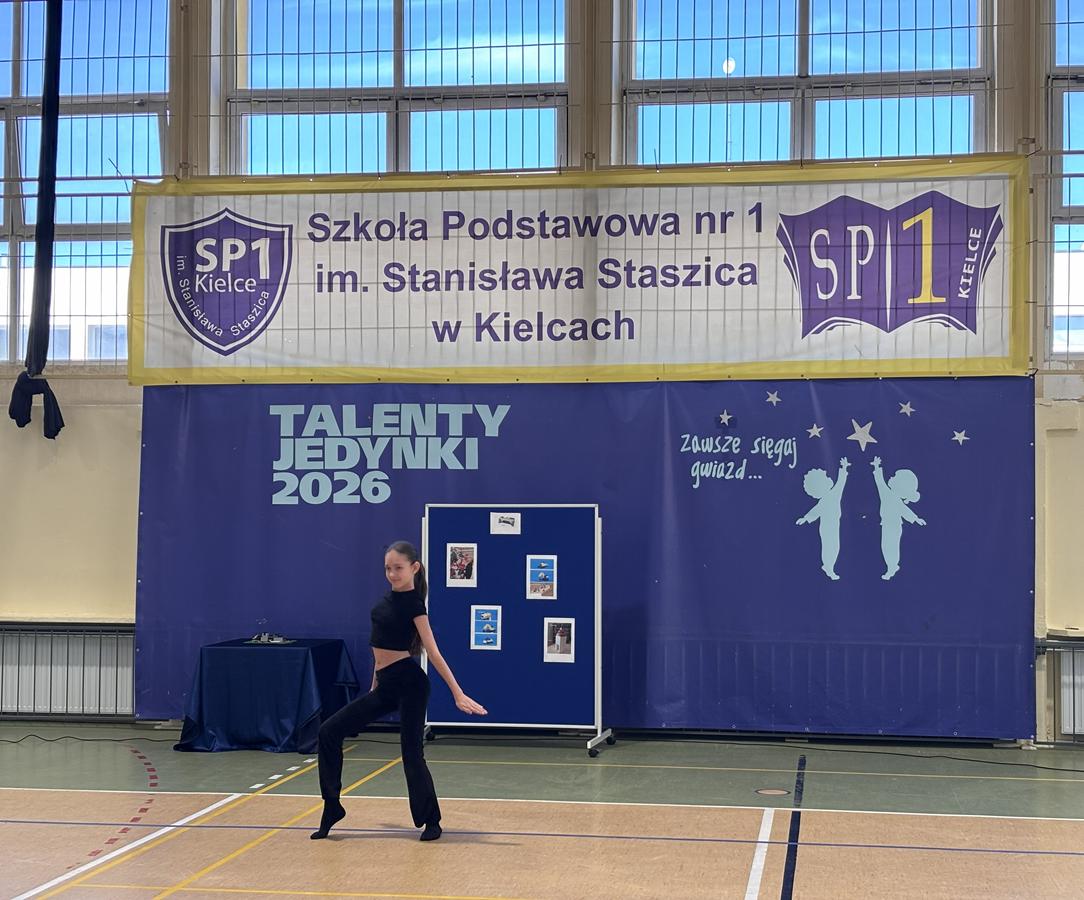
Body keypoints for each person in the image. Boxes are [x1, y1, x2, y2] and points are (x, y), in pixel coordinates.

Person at [311, 540, 487, 842]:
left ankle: (431, 820)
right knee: (328, 731)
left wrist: (457, 693)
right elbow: (377, 648)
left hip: (410, 685)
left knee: (411, 753)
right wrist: (373, 686)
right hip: (386, 684)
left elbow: (433, 652)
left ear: (414, 568)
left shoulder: (415, 606)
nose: (392, 574)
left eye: (398, 568)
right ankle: (332, 806)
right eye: (388, 568)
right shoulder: (383, 603)